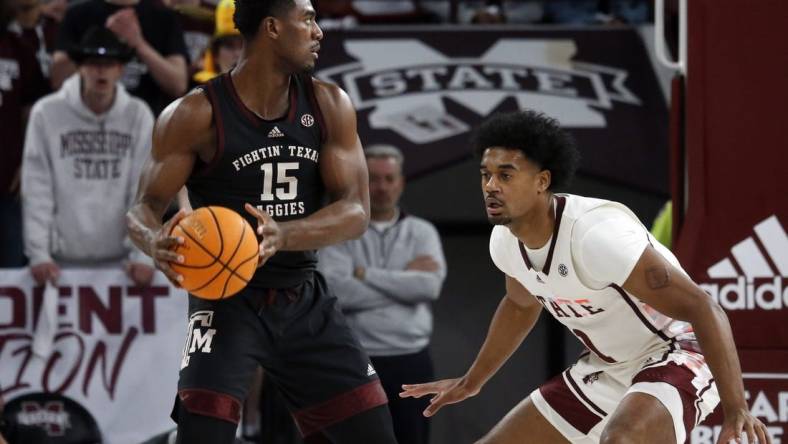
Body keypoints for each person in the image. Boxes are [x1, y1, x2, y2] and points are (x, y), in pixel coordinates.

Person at [400, 110, 771, 444]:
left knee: (620, 441)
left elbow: (705, 308)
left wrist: (736, 408)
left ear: (542, 180)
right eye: (486, 175)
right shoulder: (505, 242)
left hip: (677, 352)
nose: (490, 186)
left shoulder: (596, 235)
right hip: (607, 365)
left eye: (505, 175)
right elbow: (519, 304)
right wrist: (472, 381)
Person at [125, 1, 398, 443]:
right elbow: (143, 206)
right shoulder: (195, 114)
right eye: (307, 18)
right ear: (272, 27)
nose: (318, 31)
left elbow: (357, 211)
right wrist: (153, 240)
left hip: (303, 296)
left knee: (374, 434)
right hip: (225, 299)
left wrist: (283, 234)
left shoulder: (329, 104)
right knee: (202, 436)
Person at [319, 144, 446, 444]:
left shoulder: (422, 232)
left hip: (411, 361)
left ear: (400, 183)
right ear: (362, 183)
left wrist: (364, 273)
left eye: (390, 179)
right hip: (353, 361)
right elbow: (337, 293)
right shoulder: (340, 231)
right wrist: (404, 282)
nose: (382, 187)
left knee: (411, 438)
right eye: (374, 179)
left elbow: (428, 287)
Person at [21, 25, 155, 286]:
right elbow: (36, 187)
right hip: (59, 264)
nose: (101, 71)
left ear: (121, 69)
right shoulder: (46, 114)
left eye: (109, 63)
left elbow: (144, 191)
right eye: (93, 63)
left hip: (123, 266)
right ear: (80, 67)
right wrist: (38, 254)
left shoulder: (138, 115)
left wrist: (143, 256)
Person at [51, 0, 189, 115]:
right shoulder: (77, 14)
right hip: (82, 123)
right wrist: (101, 38)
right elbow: (57, 79)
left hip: (145, 127)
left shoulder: (164, 17)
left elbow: (178, 84)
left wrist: (138, 43)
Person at [0, 0, 49, 268]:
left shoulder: (18, 48)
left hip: (9, 184)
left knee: (11, 268)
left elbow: (34, 111)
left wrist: (26, 161)